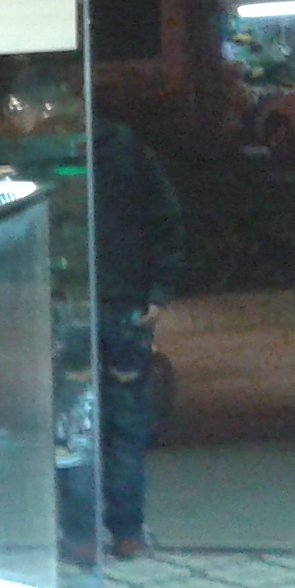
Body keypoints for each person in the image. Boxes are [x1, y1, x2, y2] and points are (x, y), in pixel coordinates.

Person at [87, 117, 185, 560]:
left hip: (70, 304)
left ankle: (79, 534)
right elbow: (167, 223)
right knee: (125, 422)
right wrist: (159, 291)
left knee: (72, 424)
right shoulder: (132, 155)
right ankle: (126, 532)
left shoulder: (56, 155)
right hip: (127, 304)